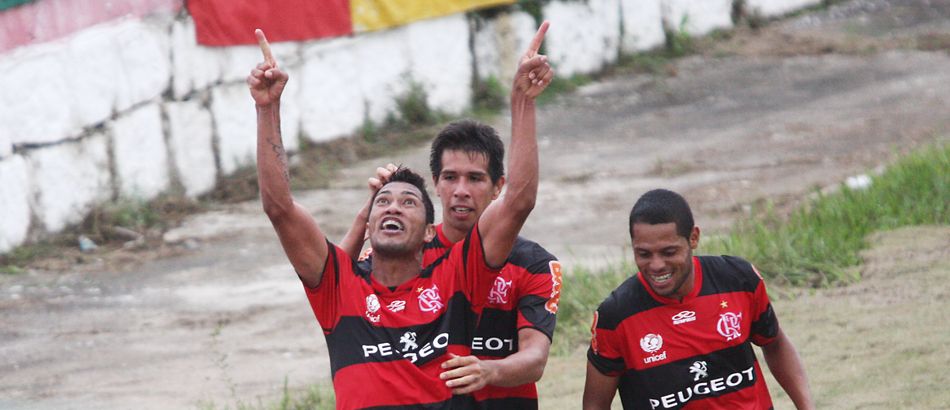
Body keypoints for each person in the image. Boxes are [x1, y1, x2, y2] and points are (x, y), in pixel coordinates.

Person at [248, 21, 553, 409]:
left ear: (429, 232)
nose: (393, 206)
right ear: (368, 221)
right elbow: (279, 207)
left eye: (409, 202)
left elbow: (517, 202)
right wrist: (267, 107)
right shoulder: (339, 288)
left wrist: (523, 100)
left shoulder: (456, 276)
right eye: (383, 201)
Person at [346, 120, 561, 410]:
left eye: (475, 178)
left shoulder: (533, 263)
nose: (461, 190)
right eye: (450, 177)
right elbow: (332, 285)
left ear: (498, 187)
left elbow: (535, 359)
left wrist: (490, 371)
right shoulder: (404, 254)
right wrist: (372, 208)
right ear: (435, 183)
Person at [583, 189, 813, 410]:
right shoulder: (616, 316)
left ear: (693, 238)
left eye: (669, 252)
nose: (656, 265)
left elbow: (775, 343)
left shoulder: (738, 279)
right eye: (643, 254)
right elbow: (595, 404)